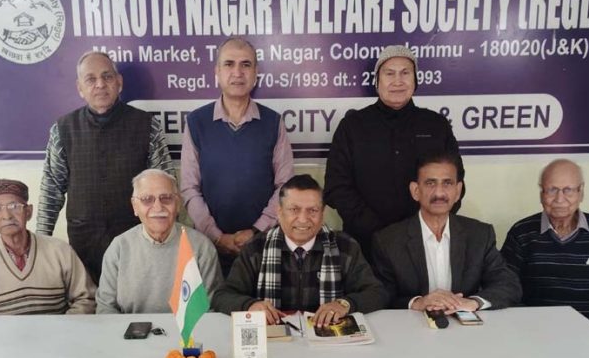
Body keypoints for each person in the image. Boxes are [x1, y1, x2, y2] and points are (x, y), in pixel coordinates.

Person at [37, 51, 174, 284]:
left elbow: (167, 186)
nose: (100, 84)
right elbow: (51, 191)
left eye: (107, 77)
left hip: (137, 241)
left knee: (136, 308)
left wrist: (167, 240)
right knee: (90, 312)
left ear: (119, 83)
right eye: (90, 79)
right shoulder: (63, 129)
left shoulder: (146, 126)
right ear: (80, 88)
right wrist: (40, 244)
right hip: (84, 244)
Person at [324, 45, 461, 262]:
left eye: (405, 73)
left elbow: (454, 183)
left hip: (424, 245)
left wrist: (422, 228)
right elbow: (336, 187)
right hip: (365, 245)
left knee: (424, 298)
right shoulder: (352, 126)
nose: (398, 81)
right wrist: (378, 231)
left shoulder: (436, 125)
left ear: (415, 80)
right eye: (389, 73)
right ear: (377, 81)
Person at [181, 37, 294, 276]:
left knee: (261, 311)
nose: (237, 72)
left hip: (263, 246)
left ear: (255, 73)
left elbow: (285, 186)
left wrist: (255, 231)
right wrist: (217, 236)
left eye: (246, 64)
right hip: (209, 248)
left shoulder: (273, 122)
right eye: (229, 64)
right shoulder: (196, 122)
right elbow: (189, 189)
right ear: (217, 72)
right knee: (211, 311)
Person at [212, 174, 387, 327]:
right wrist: (249, 305)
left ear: (322, 213)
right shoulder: (256, 248)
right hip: (275, 345)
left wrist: (344, 304)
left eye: (312, 210)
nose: (303, 219)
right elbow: (223, 296)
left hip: (329, 345)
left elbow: (377, 293)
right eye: (294, 209)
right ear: (279, 212)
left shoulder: (345, 246)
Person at [372, 152, 520, 313]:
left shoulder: (480, 235)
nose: (439, 193)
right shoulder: (388, 240)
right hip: (412, 328)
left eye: (447, 183)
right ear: (415, 191)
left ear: (458, 191)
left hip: (467, 330)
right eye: (430, 183)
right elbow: (380, 294)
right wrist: (417, 302)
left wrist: (473, 302)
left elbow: (508, 285)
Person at [501, 159, 589, 336]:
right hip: (533, 336)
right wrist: (530, 330)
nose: (559, 199)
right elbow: (505, 289)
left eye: (568, 190)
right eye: (552, 190)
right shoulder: (521, 233)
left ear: (581, 192)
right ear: (541, 193)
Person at [0, 179, 95, 330]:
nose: (6, 215)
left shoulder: (60, 250)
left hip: (58, 340)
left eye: (14, 206)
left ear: (29, 212)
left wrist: (61, 331)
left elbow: (86, 299)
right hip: (3, 346)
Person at [96, 169, 222, 314]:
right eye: (147, 199)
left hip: (187, 335)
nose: (157, 207)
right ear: (135, 206)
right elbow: (105, 308)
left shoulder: (201, 247)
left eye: (166, 198)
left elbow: (212, 309)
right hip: (129, 334)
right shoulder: (119, 248)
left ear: (178, 203)